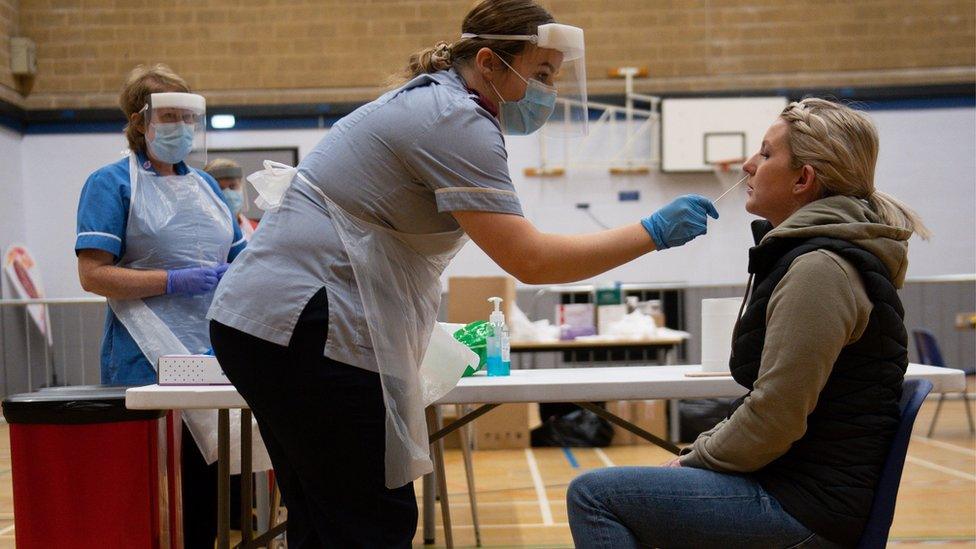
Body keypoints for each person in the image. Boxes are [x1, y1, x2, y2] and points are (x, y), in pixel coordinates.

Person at [207, 0, 717, 546]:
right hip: (300, 323)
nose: (548, 91)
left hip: (271, 322)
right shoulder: (456, 120)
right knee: (370, 519)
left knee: (329, 514)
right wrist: (652, 231)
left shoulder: (438, 103)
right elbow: (532, 260)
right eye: (540, 74)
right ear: (491, 63)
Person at [567, 98, 931, 548]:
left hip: (804, 508)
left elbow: (775, 417)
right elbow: (768, 407)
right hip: (797, 490)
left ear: (804, 179)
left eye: (765, 153)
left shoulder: (820, 270)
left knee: (594, 496)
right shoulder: (818, 259)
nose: (747, 164)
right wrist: (698, 454)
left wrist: (694, 459)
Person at [75, 64, 246, 548]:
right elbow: (92, 275)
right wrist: (173, 280)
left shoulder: (208, 187)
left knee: (203, 488)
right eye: (169, 116)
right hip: (146, 354)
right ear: (139, 120)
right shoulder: (110, 184)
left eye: (188, 116)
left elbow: (239, 257)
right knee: (154, 494)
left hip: (208, 354)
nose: (182, 127)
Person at [205, 158, 258, 240]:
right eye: (220, 188)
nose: (228, 194)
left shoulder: (257, 231)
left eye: (232, 186)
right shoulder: (202, 233)